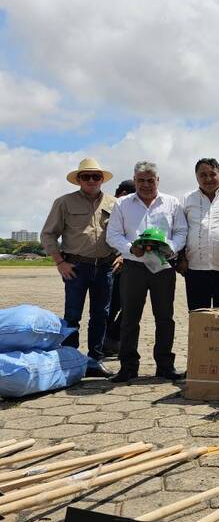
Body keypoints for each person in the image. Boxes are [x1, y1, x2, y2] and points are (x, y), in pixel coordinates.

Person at [106, 161, 188, 383]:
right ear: (134, 181)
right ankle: (128, 366)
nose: (145, 185)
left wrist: (170, 247)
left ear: (158, 181)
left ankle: (165, 365)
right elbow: (113, 234)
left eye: (150, 180)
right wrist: (129, 248)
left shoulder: (172, 203)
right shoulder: (122, 204)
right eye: (140, 180)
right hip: (134, 266)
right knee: (129, 318)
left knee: (165, 317)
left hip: (163, 267)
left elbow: (181, 232)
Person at [40, 158, 117, 378]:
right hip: (76, 267)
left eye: (96, 176)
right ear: (78, 180)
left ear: (102, 179)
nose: (91, 180)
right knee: (72, 315)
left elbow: (122, 233)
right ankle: (70, 359)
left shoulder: (114, 204)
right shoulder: (64, 202)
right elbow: (48, 234)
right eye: (86, 176)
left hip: (105, 267)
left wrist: (120, 256)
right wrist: (59, 262)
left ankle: (95, 359)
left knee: (101, 315)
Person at [178, 158, 219, 310]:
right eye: (203, 175)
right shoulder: (187, 200)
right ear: (196, 177)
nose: (208, 179)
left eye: (212, 174)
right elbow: (180, 231)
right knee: (198, 317)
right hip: (195, 269)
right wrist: (181, 258)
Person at [102, 179, 137, 357]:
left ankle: (110, 339)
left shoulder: (130, 209)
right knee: (112, 305)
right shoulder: (112, 206)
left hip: (125, 262)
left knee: (124, 306)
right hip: (111, 264)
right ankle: (107, 341)